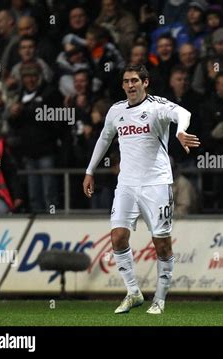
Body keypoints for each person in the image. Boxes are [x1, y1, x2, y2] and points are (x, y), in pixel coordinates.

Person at [82, 64, 200, 315]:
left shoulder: (157, 106)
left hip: (156, 184)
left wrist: (180, 131)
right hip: (126, 184)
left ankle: (159, 299)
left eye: (135, 80)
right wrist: (90, 171)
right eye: (126, 81)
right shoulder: (116, 110)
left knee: (162, 244)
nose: (130, 85)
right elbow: (104, 138)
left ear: (145, 82)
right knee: (117, 237)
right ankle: (133, 292)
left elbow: (184, 113)